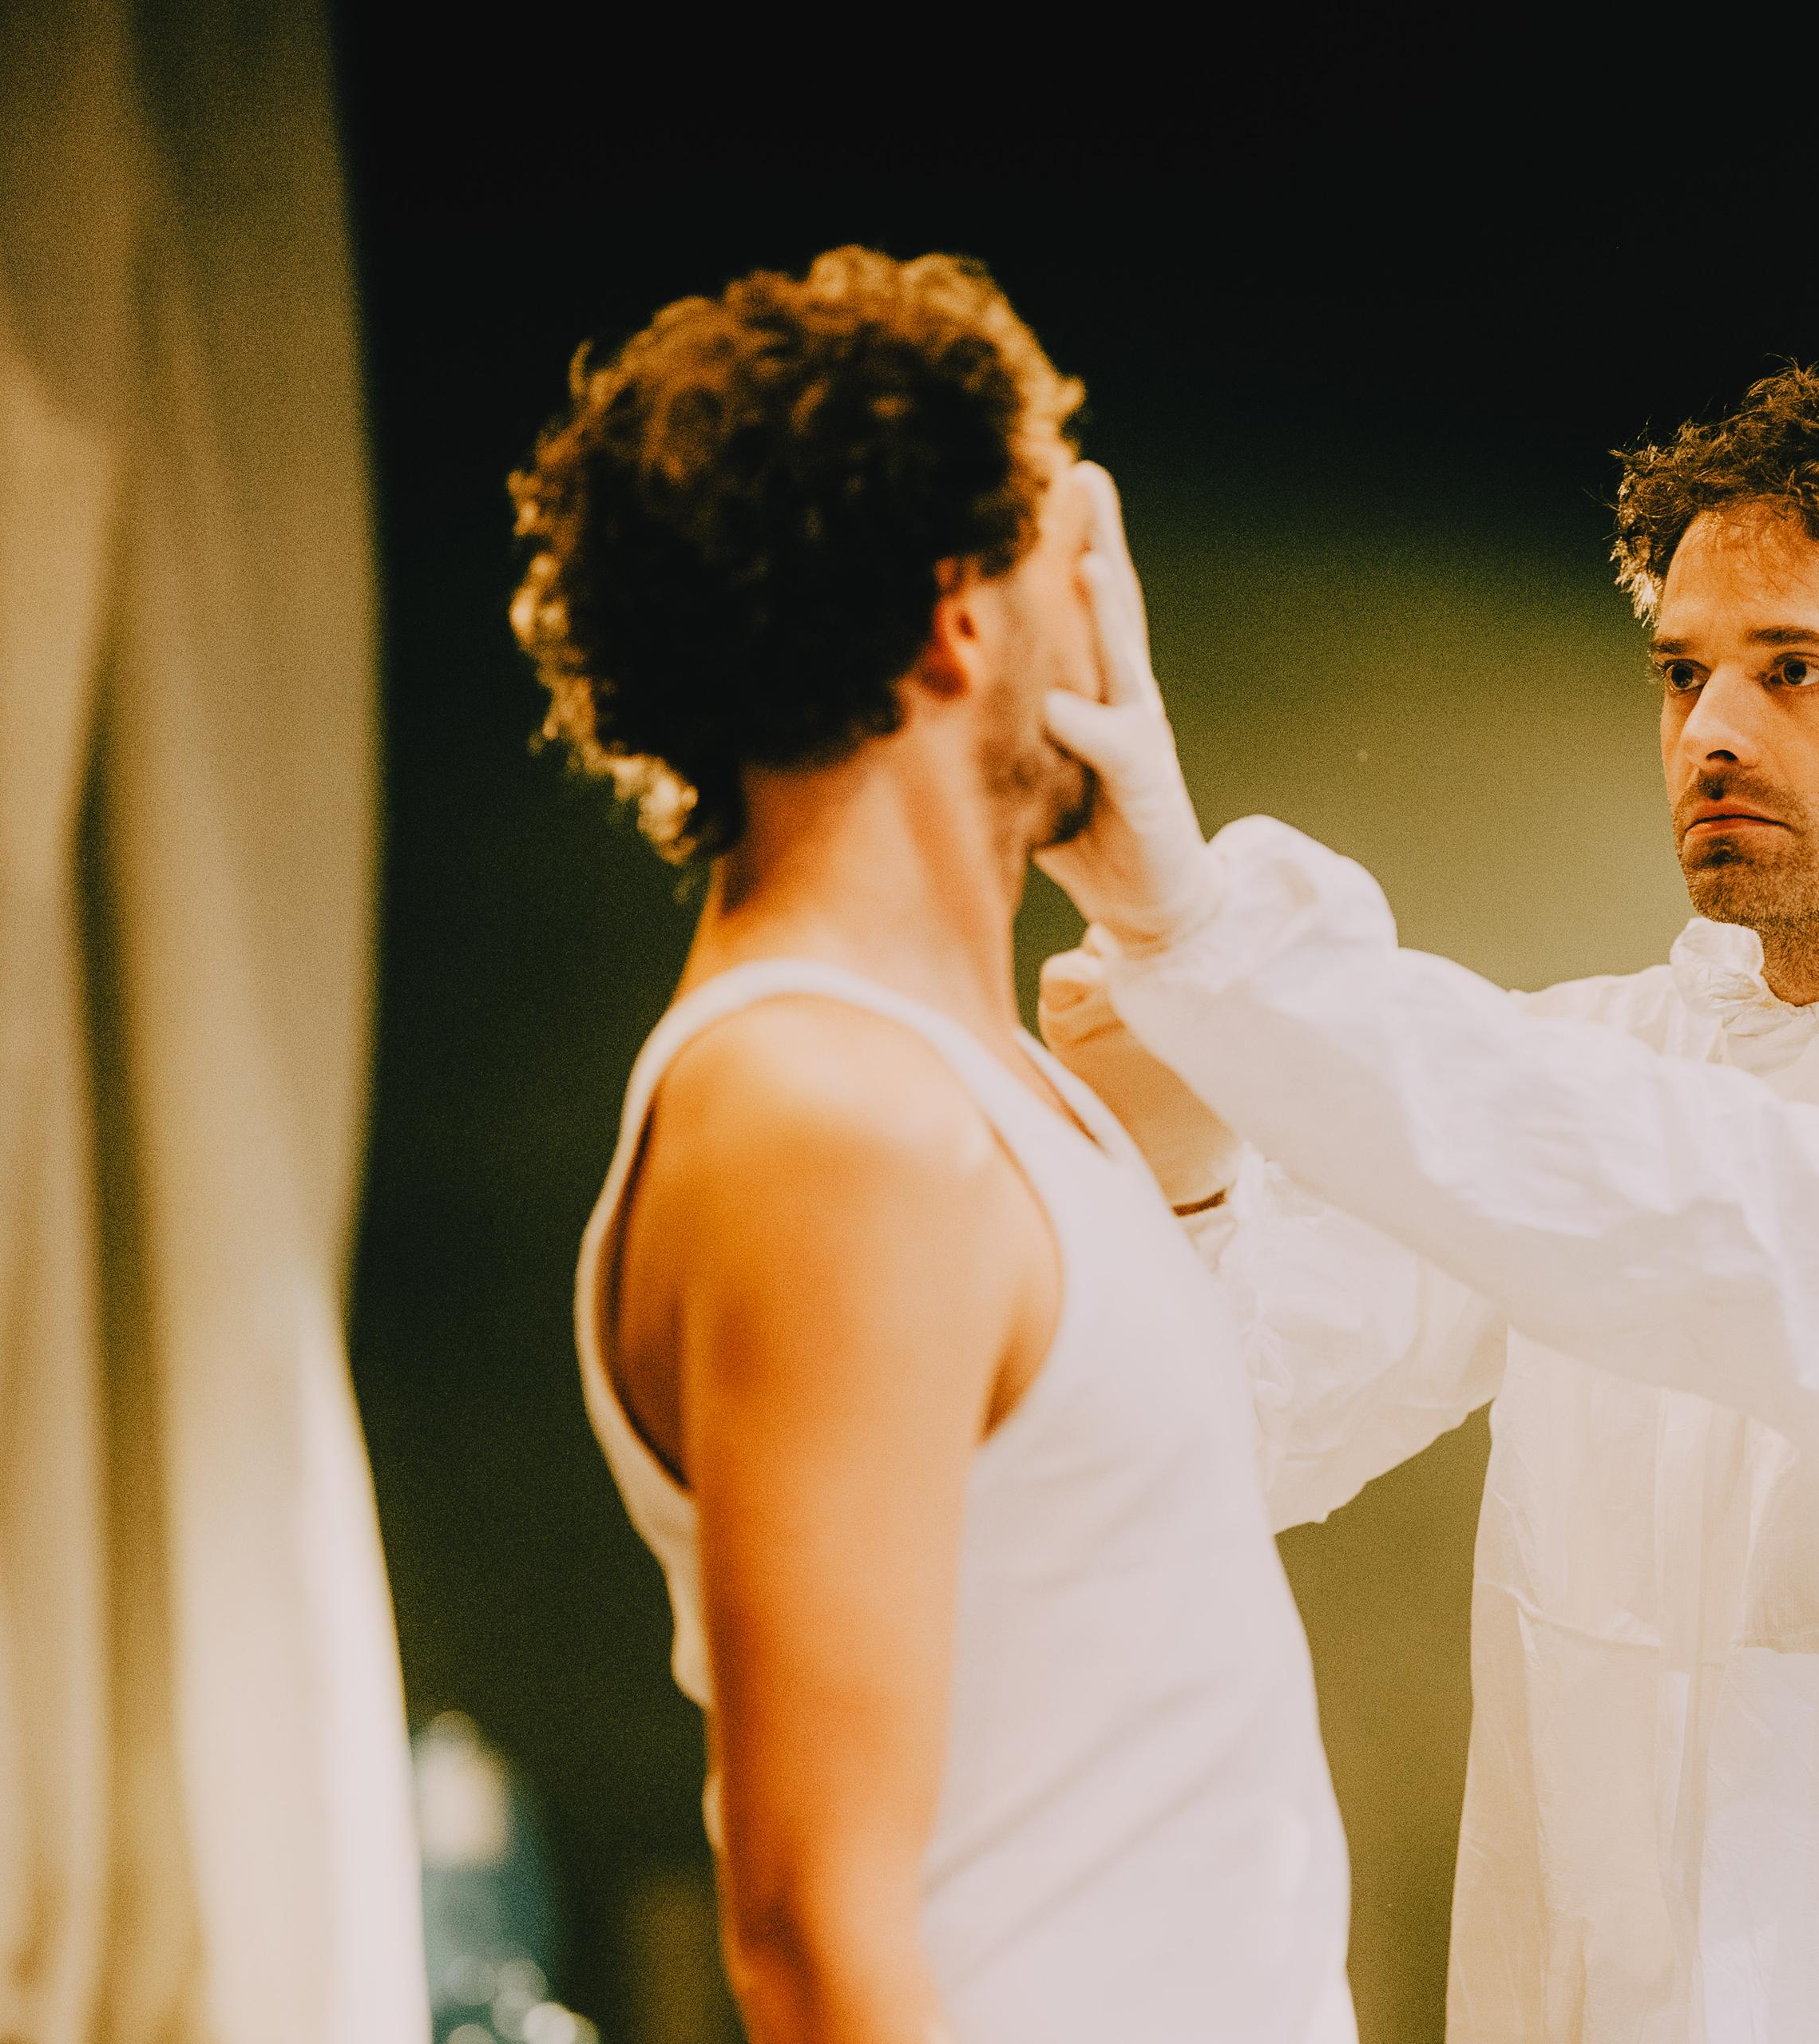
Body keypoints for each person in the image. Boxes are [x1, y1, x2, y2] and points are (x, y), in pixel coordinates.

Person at [1036, 368, 1819, 2042]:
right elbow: (1228, 1429)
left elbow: (1744, 1224)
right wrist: (1181, 1164)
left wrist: (1224, 945)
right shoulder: (1585, 1069)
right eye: (1682, 672)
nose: (1712, 731)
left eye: (1794, 669)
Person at [514, 248, 1355, 2044]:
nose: (1115, 610)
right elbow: (815, 1934)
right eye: (1073, 548)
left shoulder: (977, 1091)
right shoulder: (827, 1116)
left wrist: (1182, 979)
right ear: (956, 619)